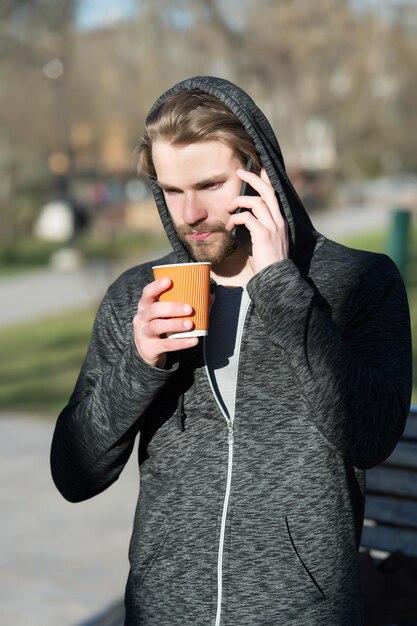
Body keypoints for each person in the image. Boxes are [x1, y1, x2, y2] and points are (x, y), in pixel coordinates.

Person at [50, 76, 412, 626]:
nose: (189, 213)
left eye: (210, 184)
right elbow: (74, 474)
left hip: (300, 612)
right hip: (164, 609)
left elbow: (371, 435)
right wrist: (139, 365)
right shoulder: (139, 295)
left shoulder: (359, 282)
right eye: (172, 191)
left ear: (260, 173)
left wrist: (284, 292)